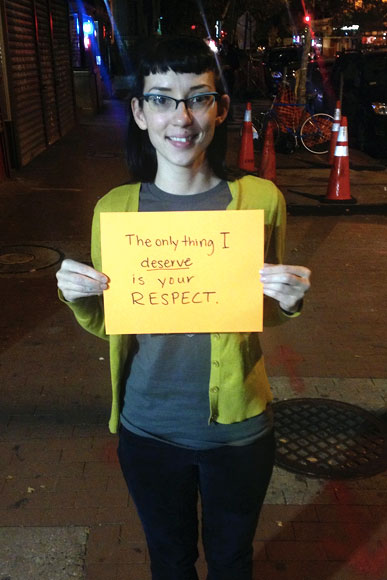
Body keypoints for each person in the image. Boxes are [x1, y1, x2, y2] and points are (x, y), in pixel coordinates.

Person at [56, 35, 310, 580]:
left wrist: (288, 301)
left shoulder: (260, 199)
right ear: (140, 113)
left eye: (197, 97)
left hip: (238, 432)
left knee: (231, 559)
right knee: (170, 561)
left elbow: (252, 310)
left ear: (219, 109)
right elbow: (116, 322)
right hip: (146, 428)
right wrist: (78, 297)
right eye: (162, 98)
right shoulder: (115, 209)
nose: (182, 116)